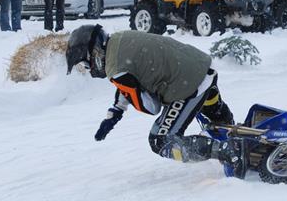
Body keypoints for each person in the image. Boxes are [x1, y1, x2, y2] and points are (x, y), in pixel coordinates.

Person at [65, 25, 244, 174]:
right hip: (201, 66)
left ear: (94, 53)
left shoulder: (115, 69)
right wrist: (117, 110)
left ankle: (226, 152)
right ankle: (236, 134)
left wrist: (130, 100)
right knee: (214, 112)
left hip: (188, 84)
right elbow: (131, 75)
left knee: (161, 140)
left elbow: (151, 107)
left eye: (85, 64)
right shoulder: (118, 39)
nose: (89, 69)